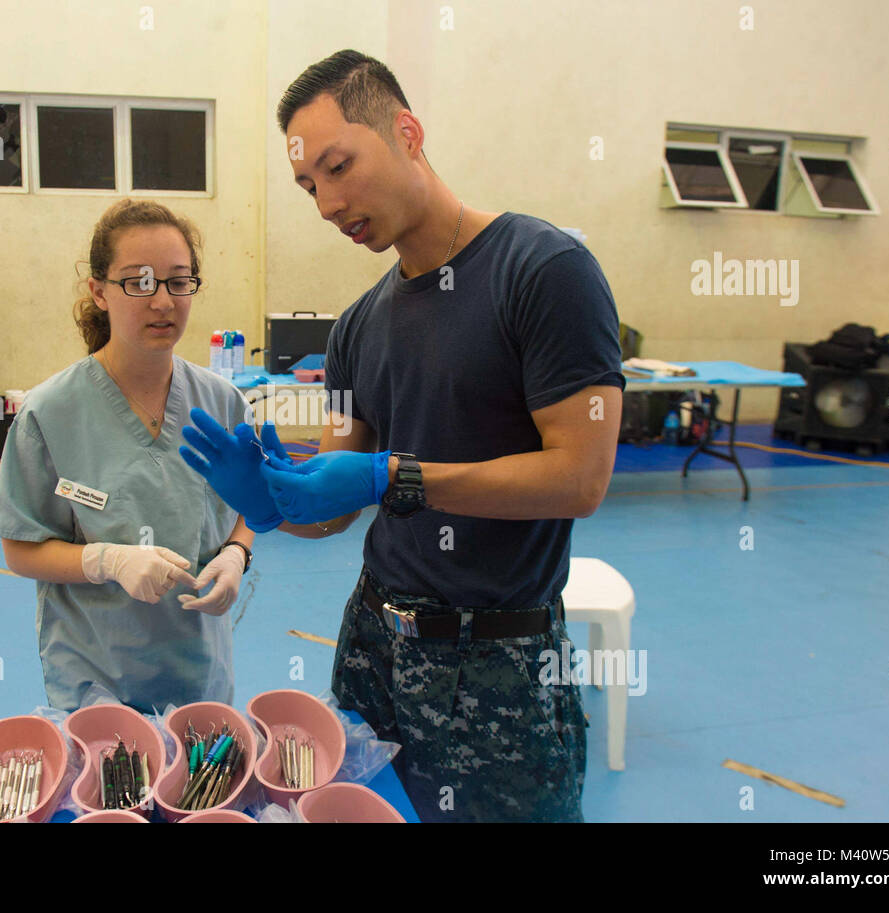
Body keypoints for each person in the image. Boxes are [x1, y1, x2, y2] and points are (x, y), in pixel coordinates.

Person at [180, 50, 623, 822]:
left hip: (497, 661)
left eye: (338, 165)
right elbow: (337, 498)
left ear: (408, 132)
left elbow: (580, 477)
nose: (325, 203)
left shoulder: (543, 270)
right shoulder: (358, 325)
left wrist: (398, 476)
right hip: (373, 643)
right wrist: (278, 503)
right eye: (308, 185)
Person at [0, 199, 256, 715]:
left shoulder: (223, 403)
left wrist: (236, 554)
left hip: (199, 671)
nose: (162, 301)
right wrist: (107, 560)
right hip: (95, 678)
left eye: (179, 281)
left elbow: (251, 503)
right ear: (99, 291)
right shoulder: (50, 413)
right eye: (139, 281)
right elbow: (21, 549)